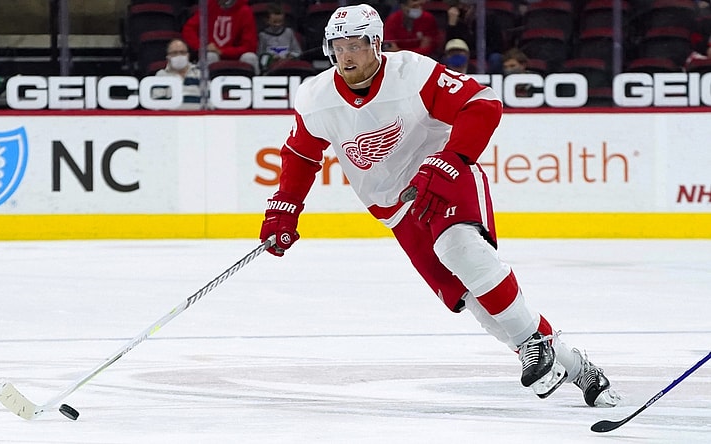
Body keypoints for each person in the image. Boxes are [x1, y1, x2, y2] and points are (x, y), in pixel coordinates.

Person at [259, 3, 620, 408]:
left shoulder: (412, 72)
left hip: (443, 179)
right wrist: (283, 207)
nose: (346, 55)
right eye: (337, 45)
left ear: (377, 43)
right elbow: (301, 154)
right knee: (477, 305)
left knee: (459, 249)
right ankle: (575, 364)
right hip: (396, 210)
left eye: (356, 44)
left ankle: (531, 342)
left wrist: (452, 157)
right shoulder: (315, 97)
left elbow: (481, 102)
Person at [181, 0, 260, 75]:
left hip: (237, 55)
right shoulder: (208, 6)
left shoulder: (245, 11)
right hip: (213, 52)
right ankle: (202, 87)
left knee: (250, 57)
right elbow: (189, 29)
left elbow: (249, 46)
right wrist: (201, 46)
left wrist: (222, 51)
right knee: (210, 56)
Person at [153, 39, 204, 110]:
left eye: (182, 52)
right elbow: (157, 103)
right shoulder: (161, 75)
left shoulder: (199, 74)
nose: (179, 55)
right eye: (174, 53)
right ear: (168, 57)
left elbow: (209, 100)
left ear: (188, 55)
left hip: (198, 117)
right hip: (171, 118)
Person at [257, 2, 302, 74]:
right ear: (267, 21)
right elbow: (260, 54)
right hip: (270, 65)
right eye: (274, 22)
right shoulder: (263, 35)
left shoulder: (289, 32)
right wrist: (271, 57)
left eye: (280, 21)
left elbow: (298, 51)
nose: (278, 24)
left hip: (287, 63)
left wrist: (291, 55)